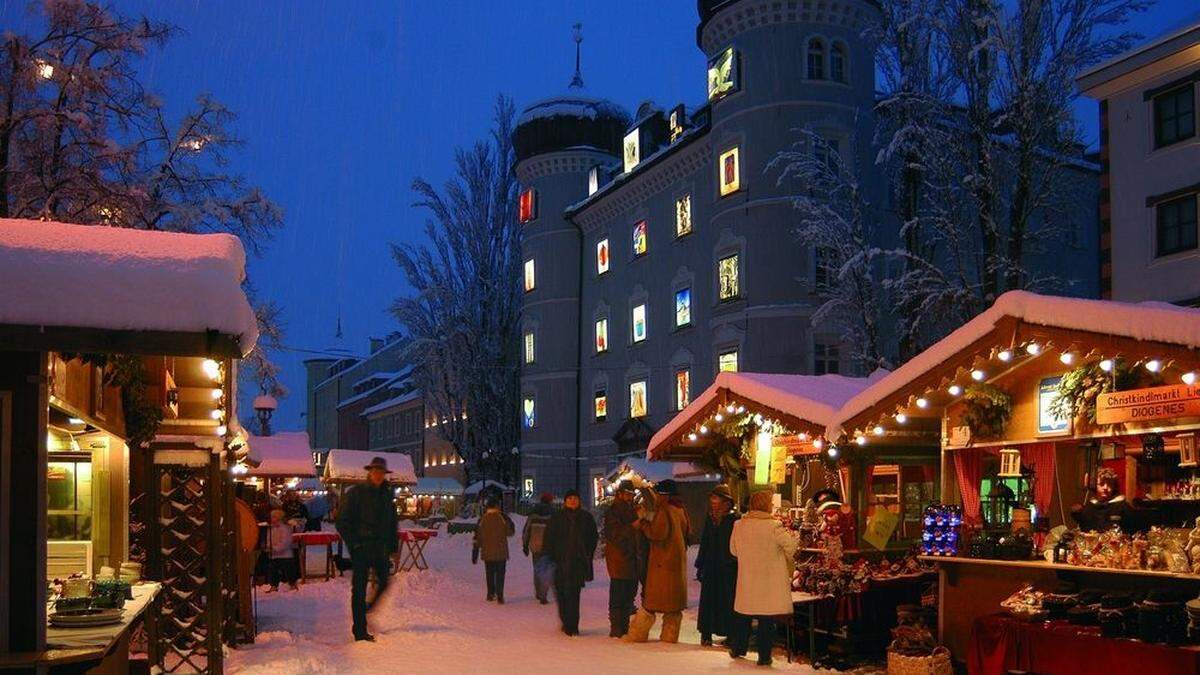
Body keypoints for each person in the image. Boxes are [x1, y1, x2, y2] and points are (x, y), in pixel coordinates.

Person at [729, 490, 799, 666]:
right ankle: (764, 656)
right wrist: (796, 536)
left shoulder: (739, 525)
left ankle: (738, 648)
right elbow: (791, 548)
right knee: (766, 619)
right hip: (768, 581)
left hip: (748, 579)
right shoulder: (774, 526)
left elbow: (733, 550)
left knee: (744, 615)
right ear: (766, 505)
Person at [335, 456, 399, 642]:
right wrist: (355, 544)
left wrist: (393, 547)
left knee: (385, 582)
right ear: (370, 472)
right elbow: (342, 521)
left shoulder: (387, 494)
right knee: (359, 590)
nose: (378, 475)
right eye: (375, 471)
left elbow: (392, 522)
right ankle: (360, 631)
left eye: (381, 472)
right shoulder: (356, 493)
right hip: (361, 547)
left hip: (380, 548)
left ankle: (365, 610)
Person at [625, 479, 690, 643]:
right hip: (676, 564)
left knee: (649, 605)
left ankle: (636, 635)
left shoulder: (665, 510)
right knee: (673, 609)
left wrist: (644, 524)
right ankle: (669, 638)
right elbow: (688, 533)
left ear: (664, 495)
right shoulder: (681, 510)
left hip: (662, 564)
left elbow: (657, 533)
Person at [542, 489, 598, 636]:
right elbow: (549, 538)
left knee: (574, 594)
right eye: (570, 498)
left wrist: (587, 553)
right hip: (560, 562)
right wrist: (550, 555)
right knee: (561, 594)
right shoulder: (557, 518)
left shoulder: (586, 518)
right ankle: (566, 621)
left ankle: (572, 626)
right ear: (565, 501)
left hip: (577, 563)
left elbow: (593, 537)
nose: (573, 501)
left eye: (575, 498)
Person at [696, 484, 739, 646]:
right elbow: (705, 541)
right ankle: (706, 633)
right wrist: (700, 564)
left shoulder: (734, 519)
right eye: (712, 498)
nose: (713, 501)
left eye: (716, 498)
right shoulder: (711, 518)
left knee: (727, 601)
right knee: (708, 600)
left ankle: (729, 633)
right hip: (711, 565)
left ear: (725, 501)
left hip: (728, 567)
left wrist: (734, 562)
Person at [604, 481, 641, 638]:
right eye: (627, 494)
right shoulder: (614, 511)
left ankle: (623, 627)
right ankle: (617, 628)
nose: (630, 497)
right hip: (619, 559)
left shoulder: (631, 509)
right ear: (620, 494)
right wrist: (633, 526)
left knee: (629, 594)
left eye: (631, 494)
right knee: (619, 594)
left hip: (631, 559)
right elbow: (615, 534)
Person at [473, 495, 515, 603]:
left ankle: (490, 594)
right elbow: (510, 533)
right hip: (501, 552)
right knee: (500, 574)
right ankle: (500, 595)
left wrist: (475, 552)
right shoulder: (502, 518)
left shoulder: (482, 519)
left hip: (487, 552)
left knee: (489, 573)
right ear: (497, 506)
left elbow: (478, 536)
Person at [1072, 467, 1140, 533]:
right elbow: (1084, 528)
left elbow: (1133, 528)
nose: (1106, 487)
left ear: (1114, 486)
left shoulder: (1122, 506)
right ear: (1094, 486)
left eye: (1110, 484)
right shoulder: (1090, 506)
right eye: (1101, 484)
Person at [522, 492, 556, 604]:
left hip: (535, 545)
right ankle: (543, 594)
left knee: (538, 569)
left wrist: (525, 545)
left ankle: (538, 592)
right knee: (546, 570)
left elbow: (526, 531)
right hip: (548, 545)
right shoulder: (553, 514)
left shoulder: (533, 514)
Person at [264, 508, 299, 592]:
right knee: (273, 570)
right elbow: (269, 540)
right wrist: (269, 547)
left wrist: (275, 548)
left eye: (274, 517)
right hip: (274, 554)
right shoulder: (271, 529)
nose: (272, 519)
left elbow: (285, 541)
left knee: (288, 569)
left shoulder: (285, 528)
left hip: (285, 554)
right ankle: (274, 585)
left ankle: (292, 584)